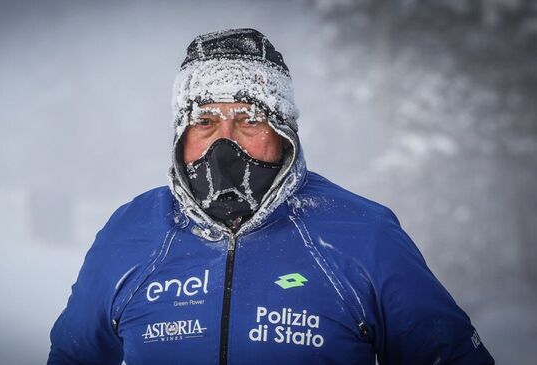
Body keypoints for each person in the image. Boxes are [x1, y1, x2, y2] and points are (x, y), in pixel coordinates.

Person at [47, 28, 494, 365]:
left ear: (283, 132)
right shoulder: (129, 234)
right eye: (205, 121)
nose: (225, 143)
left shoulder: (365, 236)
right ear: (181, 135)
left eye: (249, 120)